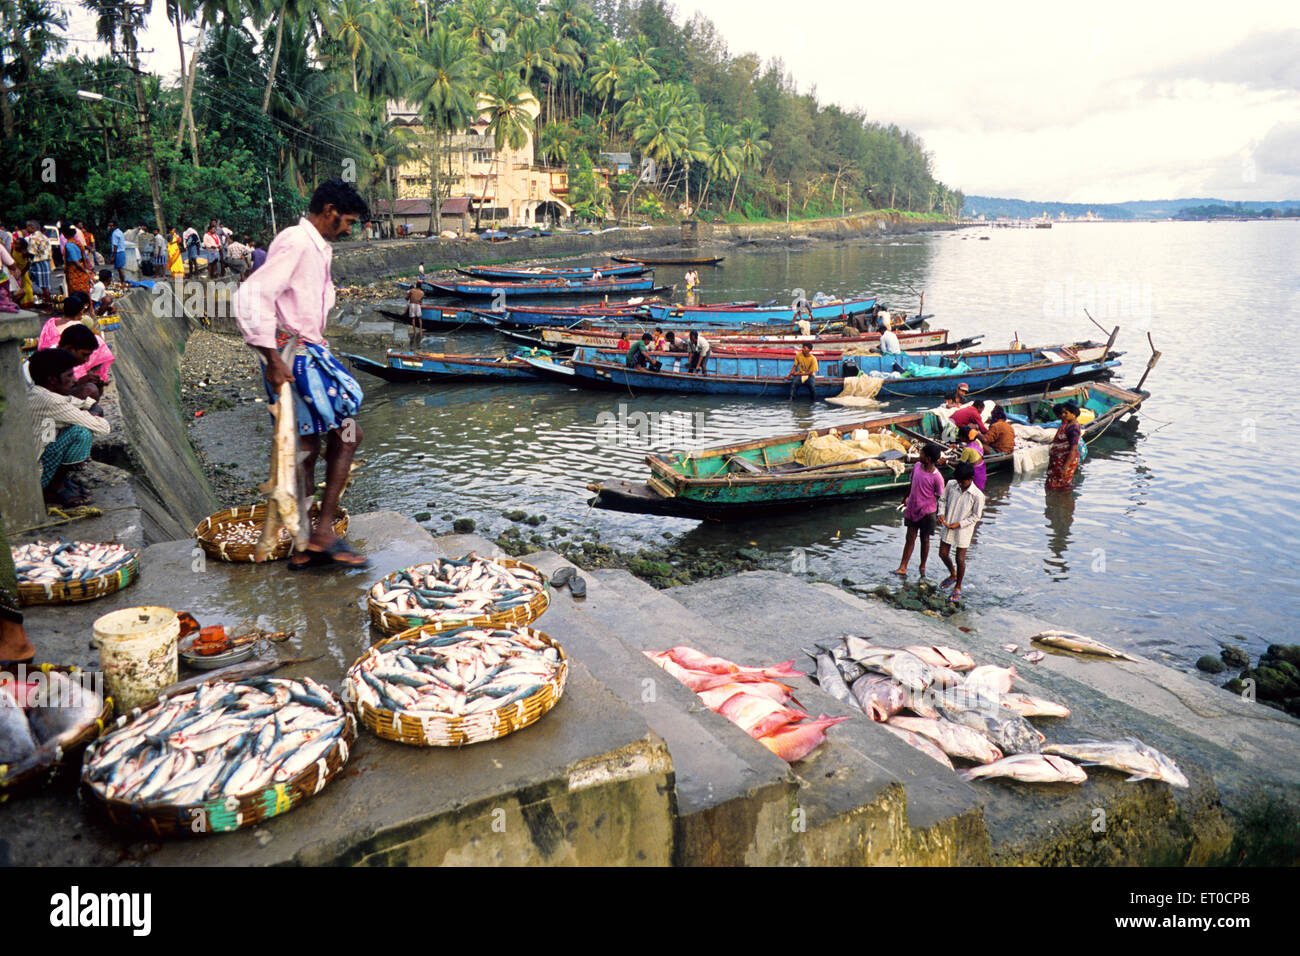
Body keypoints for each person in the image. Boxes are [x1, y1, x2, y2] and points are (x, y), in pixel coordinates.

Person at [235, 177, 369, 569]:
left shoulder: (315, 245)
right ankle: (322, 532)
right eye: (346, 221)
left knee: (306, 449)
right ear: (328, 211)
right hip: (294, 356)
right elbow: (252, 295)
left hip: (301, 351)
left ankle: (304, 541)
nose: (349, 229)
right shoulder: (297, 240)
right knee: (348, 434)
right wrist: (273, 359)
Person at [27, 348, 110, 507]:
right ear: (52, 380)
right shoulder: (51, 402)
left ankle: (59, 483)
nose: (74, 380)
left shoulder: (40, 393)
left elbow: (80, 402)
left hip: (39, 453)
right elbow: (103, 428)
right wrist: (93, 413)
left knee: (60, 426)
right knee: (81, 432)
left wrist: (91, 408)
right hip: (35, 474)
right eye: (69, 376)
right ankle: (53, 487)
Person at [893, 442, 946, 578]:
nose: (919, 455)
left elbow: (941, 497)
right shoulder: (917, 467)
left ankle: (922, 566)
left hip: (928, 512)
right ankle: (903, 566)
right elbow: (912, 484)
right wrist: (905, 498)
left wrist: (941, 515)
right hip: (912, 508)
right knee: (910, 537)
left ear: (928, 459)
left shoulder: (937, 477)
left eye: (922, 453)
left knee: (925, 539)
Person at [937, 461, 984, 602]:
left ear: (971, 479)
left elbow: (976, 516)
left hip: (963, 529)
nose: (960, 484)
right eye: (959, 481)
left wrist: (960, 524)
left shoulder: (977, 495)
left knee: (960, 558)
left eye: (963, 482)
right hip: (948, 523)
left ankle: (958, 586)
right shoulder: (951, 485)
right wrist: (941, 513)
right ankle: (953, 573)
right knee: (943, 553)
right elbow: (942, 500)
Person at [58, 322, 114, 401]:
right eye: (84, 355)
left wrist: (99, 386)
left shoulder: (67, 363)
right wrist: (78, 383)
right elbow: (53, 398)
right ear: (69, 348)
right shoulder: (53, 365)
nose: (86, 360)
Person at [1046, 401, 1083, 491]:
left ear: (1073, 414)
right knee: (1052, 484)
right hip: (1057, 460)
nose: (1064, 415)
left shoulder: (1074, 428)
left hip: (1064, 461)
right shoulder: (1067, 424)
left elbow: (1073, 450)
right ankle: (1055, 504)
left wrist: (1065, 467)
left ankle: (1063, 503)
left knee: (1061, 486)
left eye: (1066, 413)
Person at [60, 224, 92, 299]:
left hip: (75, 272)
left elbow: (76, 262)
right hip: (82, 271)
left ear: (65, 234)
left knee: (76, 293)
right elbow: (85, 258)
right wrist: (88, 270)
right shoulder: (78, 243)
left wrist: (85, 271)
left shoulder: (69, 245)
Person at [25, 221, 52, 305]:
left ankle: (48, 305)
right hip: (45, 262)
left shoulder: (34, 237)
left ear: (31, 227)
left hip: (39, 263)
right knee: (43, 285)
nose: (26, 229)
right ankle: (45, 302)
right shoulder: (44, 236)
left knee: (44, 286)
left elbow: (31, 252)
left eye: (27, 227)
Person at [953, 425, 987, 491]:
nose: (959, 438)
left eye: (960, 436)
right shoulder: (977, 441)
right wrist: (957, 446)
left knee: (973, 492)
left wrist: (947, 461)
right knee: (979, 491)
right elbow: (970, 446)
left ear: (964, 437)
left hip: (975, 473)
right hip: (982, 470)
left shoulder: (967, 450)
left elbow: (960, 465)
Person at [10, 235, 33, 308]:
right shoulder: (13, 249)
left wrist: (21, 273)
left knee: (27, 290)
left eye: (18, 244)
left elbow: (27, 265)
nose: (15, 245)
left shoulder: (25, 253)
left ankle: (26, 306)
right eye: (15, 243)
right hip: (14, 273)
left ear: (22, 245)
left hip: (23, 273)